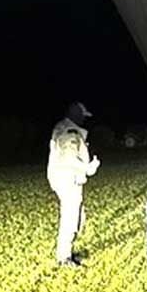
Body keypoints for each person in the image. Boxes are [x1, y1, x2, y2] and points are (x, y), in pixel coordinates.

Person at [47, 101, 101, 266]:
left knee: (76, 216)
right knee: (71, 217)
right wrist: (89, 168)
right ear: (75, 115)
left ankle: (67, 251)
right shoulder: (71, 132)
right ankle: (64, 258)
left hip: (63, 178)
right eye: (82, 116)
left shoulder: (62, 127)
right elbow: (69, 157)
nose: (84, 120)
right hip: (68, 179)